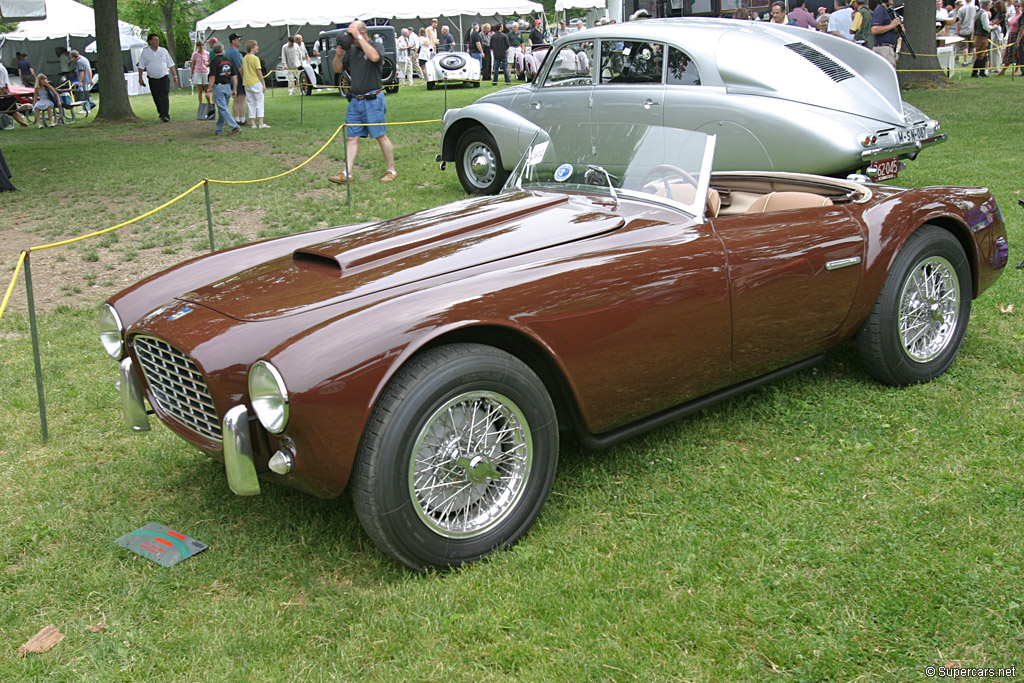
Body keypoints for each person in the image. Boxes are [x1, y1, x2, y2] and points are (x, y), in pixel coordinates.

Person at [328, 21, 397, 185]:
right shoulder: (352, 50)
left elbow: (374, 57)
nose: (352, 42)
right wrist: (338, 55)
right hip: (355, 101)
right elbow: (337, 69)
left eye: (354, 37)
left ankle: (391, 170)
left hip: (373, 100)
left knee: (380, 136)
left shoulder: (375, 46)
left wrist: (359, 37)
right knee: (352, 138)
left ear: (363, 33)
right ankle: (347, 173)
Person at [137, 33, 179, 122]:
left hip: (163, 77)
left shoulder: (163, 51)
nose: (157, 41)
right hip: (152, 79)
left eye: (157, 40)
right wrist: (140, 78)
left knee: (164, 96)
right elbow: (141, 66)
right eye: (155, 40)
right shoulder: (145, 52)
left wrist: (175, 75)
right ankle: (161, 112)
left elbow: (171, 64)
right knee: (156, 97)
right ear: (150, 41)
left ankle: (165, 115)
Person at [208, 43, 241, 136]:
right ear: (222, 50)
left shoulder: (214, 62)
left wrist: (209, 89)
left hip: (219, 87)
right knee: (223, 109)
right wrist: (234, 89)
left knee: (222, 109)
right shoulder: (228, 61)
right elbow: (234, 76)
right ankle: (219, 129)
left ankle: (235, 127)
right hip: (228, 86)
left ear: (214, 51)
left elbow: (212, 77)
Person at [242, 40, 269, 128]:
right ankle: (261, 123)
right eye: (256, 46)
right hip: (255, 82)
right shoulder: (255, 58)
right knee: (259, 102)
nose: (257, 47)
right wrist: (263, 83)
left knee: (250, 103)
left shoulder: (245, 58)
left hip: (247, 82)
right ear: (252, 48)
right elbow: (258, 71)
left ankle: (253, 123)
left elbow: (243, 71)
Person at [871, 0, 902, 66]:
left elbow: (890, 30)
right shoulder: (880, 10)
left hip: (890, 49)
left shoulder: (890, 12)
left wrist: (898, 29)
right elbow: (874, 29)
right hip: (883, 49)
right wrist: (892, 25)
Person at [0, 62, 29, 127]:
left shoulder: (0, 69)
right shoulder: (1, 68)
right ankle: (23, 122)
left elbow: (2, 86)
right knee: (12, 109)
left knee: (11, 109)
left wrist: (2, 95)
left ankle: (23, 120)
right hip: (7, 97)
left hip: (4, 97)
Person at [225, 33, 246, 124]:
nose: (240, 41)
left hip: (231, 77)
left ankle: (236, 118)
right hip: (238, 77)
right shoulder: (235, 53)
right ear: (233, 41)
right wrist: (244, 78)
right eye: (238, 39)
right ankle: (242, 119)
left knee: (236, 99)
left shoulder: (228, 51)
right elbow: (240, 67)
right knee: (241, 99)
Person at [973, 0, 994, 75]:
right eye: (989, 5)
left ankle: (982, 72)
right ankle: (975, 72)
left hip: (977, 35)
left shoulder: (978, 12)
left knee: (983, 54)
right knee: (981, 54)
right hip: (982, 36)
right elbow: (986, 27)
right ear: (985, 5)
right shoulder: (984, 13)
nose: (991, 6)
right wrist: (993, 27)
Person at [191, 40, 213, 108]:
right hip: (198, 72)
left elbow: (210, 62)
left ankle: (209, 103)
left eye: (202, 45)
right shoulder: (195, 54)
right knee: (200, 90)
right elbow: (193, 64)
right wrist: (191, 74)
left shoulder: (207, 53)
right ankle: (201, 104)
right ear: (197, 46)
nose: (201, 46)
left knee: (207, 90)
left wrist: (207, 65)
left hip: (205, 72)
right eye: (200, 45)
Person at [957, 0, 979, 65]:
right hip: (972, 29)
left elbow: (958, 21)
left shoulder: (961, 9)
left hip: (963, 30)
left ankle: (965, 61)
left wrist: (958, 31)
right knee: (973, 46)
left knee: (964, 47)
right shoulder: (976, 8)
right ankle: (974, 59)